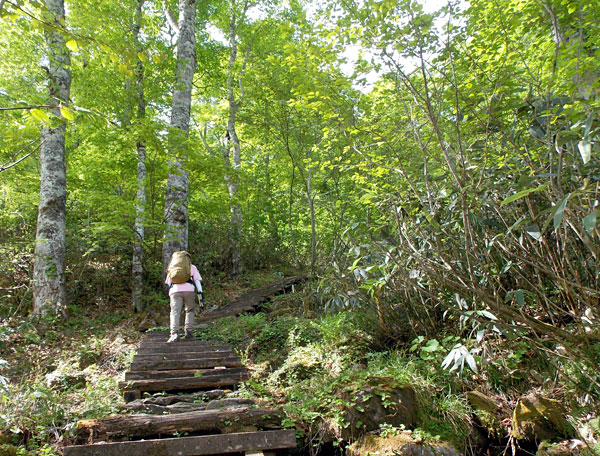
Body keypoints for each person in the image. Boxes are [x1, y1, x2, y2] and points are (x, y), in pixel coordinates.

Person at [164, 251, 204, 343]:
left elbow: (169, 283)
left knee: (175, 312)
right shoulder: (191, 267)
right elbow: (197, 281)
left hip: (174, 291)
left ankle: (174, 333)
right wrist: (200, 293)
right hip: (189, 290)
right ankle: (188, 332)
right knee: (190, 310)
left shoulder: (172, 267)